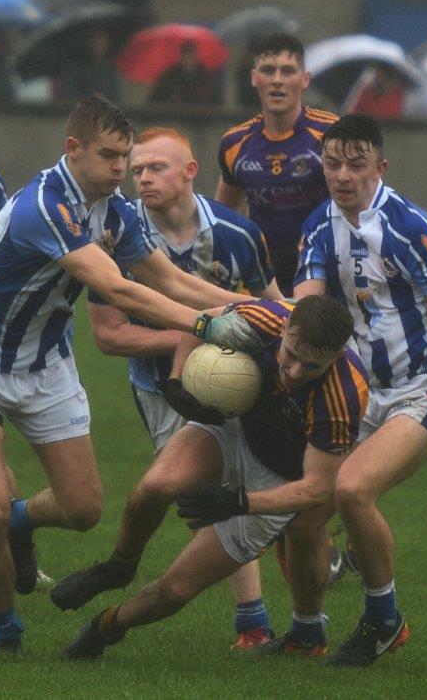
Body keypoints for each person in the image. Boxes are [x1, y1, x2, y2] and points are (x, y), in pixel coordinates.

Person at [0, 97, 250, 651]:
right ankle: (6, 631)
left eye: (126, 156)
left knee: (83, 510)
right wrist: (205, 325)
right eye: (109, 156)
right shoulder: (45, 207)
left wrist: (251, 310)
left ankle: (24, 523)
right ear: (72, 150)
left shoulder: (116, 211)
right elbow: (122, 290)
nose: (122, 168)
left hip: (45, 363)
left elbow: (169, 280)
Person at [57, 126, 283, 650]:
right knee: (187, 492)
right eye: (136, 170)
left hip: (239, 386)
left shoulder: (237, 232)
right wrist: (192, 333)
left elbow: (272, 302)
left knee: (233, 492)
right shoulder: (114, 235)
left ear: (189, 171)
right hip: (162, 391)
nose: (142, 178)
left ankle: (255, 620)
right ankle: (136, 573)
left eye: (155, 167)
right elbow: (110, 337)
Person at [60, 295, 368, 660]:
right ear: (284, 329)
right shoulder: (261, 319)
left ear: (334, 358)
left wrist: (240, 502)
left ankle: (107, 627)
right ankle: (119, 566)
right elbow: (202, 320)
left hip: (282, 476)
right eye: (291, 354)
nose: (296, 371)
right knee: (158, 485)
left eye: (312, 365)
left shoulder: (342, 396)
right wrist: (176, 379)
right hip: (235, 428)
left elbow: (315, 489)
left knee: (176, 588)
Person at [293, 113, 427, 667]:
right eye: (332, 164)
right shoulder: (317, 227)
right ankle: (307, 631)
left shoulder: (411, 227)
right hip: (356, 390)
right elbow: (307, 312)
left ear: (380, 167)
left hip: (423, 389)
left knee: (352, 491)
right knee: (305, 513)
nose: (343, 175)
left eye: (355, 164)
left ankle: (383, 619)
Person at [215, 33, 338, 296]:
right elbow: (222, 216)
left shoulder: (331, 134)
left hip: (323, 266)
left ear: (304, 79)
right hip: (261, 273)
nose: (277, 80)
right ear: (254, 78)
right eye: (268, 70)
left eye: (288, 71)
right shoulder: (234, 143)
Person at [59, 27, 122, 102]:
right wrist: (89, 98)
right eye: (96, 41)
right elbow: (68, 93)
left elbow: (117, 96)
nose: (99, 45)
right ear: (89, 42)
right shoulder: (75, 67)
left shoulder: (110, 69)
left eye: (102, 41)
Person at [149, 42, 219, 106]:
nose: (188, 58)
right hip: (173, 115)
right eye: (185, 55)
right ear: (180, 56)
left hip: (201, 116)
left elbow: (213, 100)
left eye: (191, 54)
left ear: (196, 56)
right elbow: (157, 98)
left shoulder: (205, 76)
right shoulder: (169, 75)